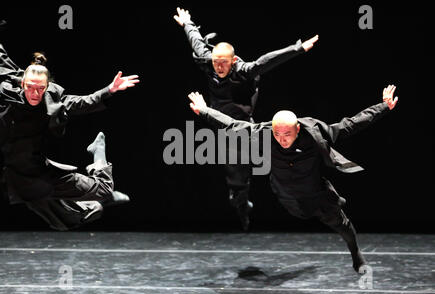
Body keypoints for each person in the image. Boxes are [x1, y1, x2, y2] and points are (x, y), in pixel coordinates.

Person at [187, 85, 399, 274]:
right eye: (278, 134)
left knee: (342, 224)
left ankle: (356, 256)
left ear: (297, 129)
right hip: (286, 195)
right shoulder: (264, 133)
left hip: (317, 193)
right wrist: (204, 110)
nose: (282, 138)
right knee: (301, 212)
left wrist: (383, 107)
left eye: (287, 133)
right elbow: (232, 125)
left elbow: (350, 125)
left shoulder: (314, 133)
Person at [174, 7, 319, 231]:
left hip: (246, 128)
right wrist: (187, 23)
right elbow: (196, 41)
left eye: (224, 62)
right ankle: (242, 208)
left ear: (232, 61)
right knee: (237, 186)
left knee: (278, 158)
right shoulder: (208, 62)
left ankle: (304, 198)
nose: (219, 66)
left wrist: (298, 48)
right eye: (216, 62)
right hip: (223, 129)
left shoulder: (243, 70)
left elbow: (266, 61)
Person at [0, 38, 139, 231]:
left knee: (104, 190)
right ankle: (98, 203)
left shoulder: (53, 103)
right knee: (66, 221)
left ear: (47, 87)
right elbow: (2, 59)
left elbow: (84, 102)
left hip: (40, 174)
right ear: (22, 83)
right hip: (15, 175)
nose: (34, 93)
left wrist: (110, 89)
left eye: (40, 88)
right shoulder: (7, 96)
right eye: (30, 86)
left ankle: (98, 156)